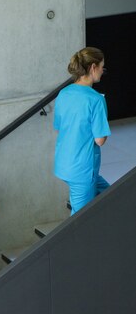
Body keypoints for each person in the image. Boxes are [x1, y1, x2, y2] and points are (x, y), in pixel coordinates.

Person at [54, 47, 111, 215]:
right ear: (93, 67)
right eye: (102, 67)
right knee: (79, 219)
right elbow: (99, 140)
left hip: (65, 164)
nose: (102, 71)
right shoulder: (95, 99)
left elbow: (59, 129)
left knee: (112, 195)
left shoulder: (64, 93)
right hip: (83, 170)